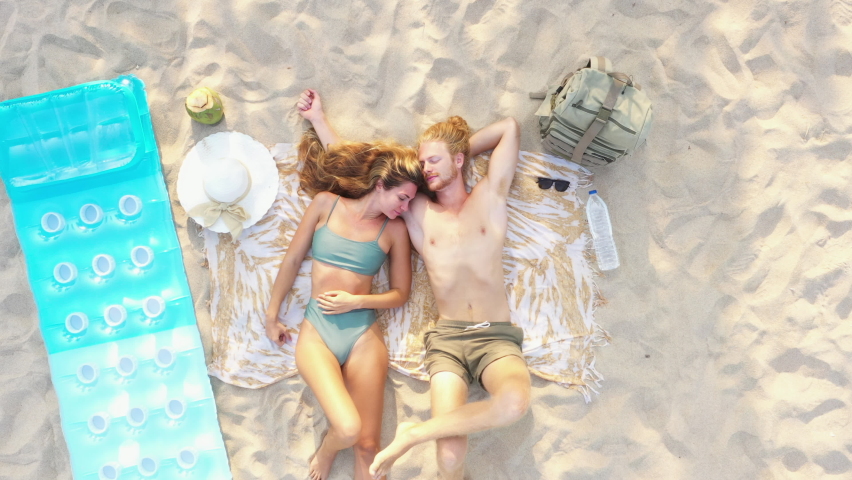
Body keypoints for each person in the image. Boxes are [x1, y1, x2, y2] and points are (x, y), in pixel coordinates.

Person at [265, 89, 424, 480]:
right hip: (317, 330)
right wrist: (272, 314)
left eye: (409, 202)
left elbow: (400, 295)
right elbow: (292, 260)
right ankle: (327, 449)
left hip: (363, 334)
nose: (405, 207)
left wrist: (357, 301)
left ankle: (341, 451)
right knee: (349, 430)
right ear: (381, 183)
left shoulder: (395, 230)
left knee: (369, 446)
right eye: (402, 198)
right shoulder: (326, 203)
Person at [368, 113, 531, 479]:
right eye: (421, 162)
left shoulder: (490, 195)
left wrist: (459, 149)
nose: (425, 168)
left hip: (495, 338)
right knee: (450, 459)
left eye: (433, 160)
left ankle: (412, 435)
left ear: (459, 160)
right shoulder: (419, 212)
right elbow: (375, 178)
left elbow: (509, 128)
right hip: (449, 341)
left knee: (514, 403)